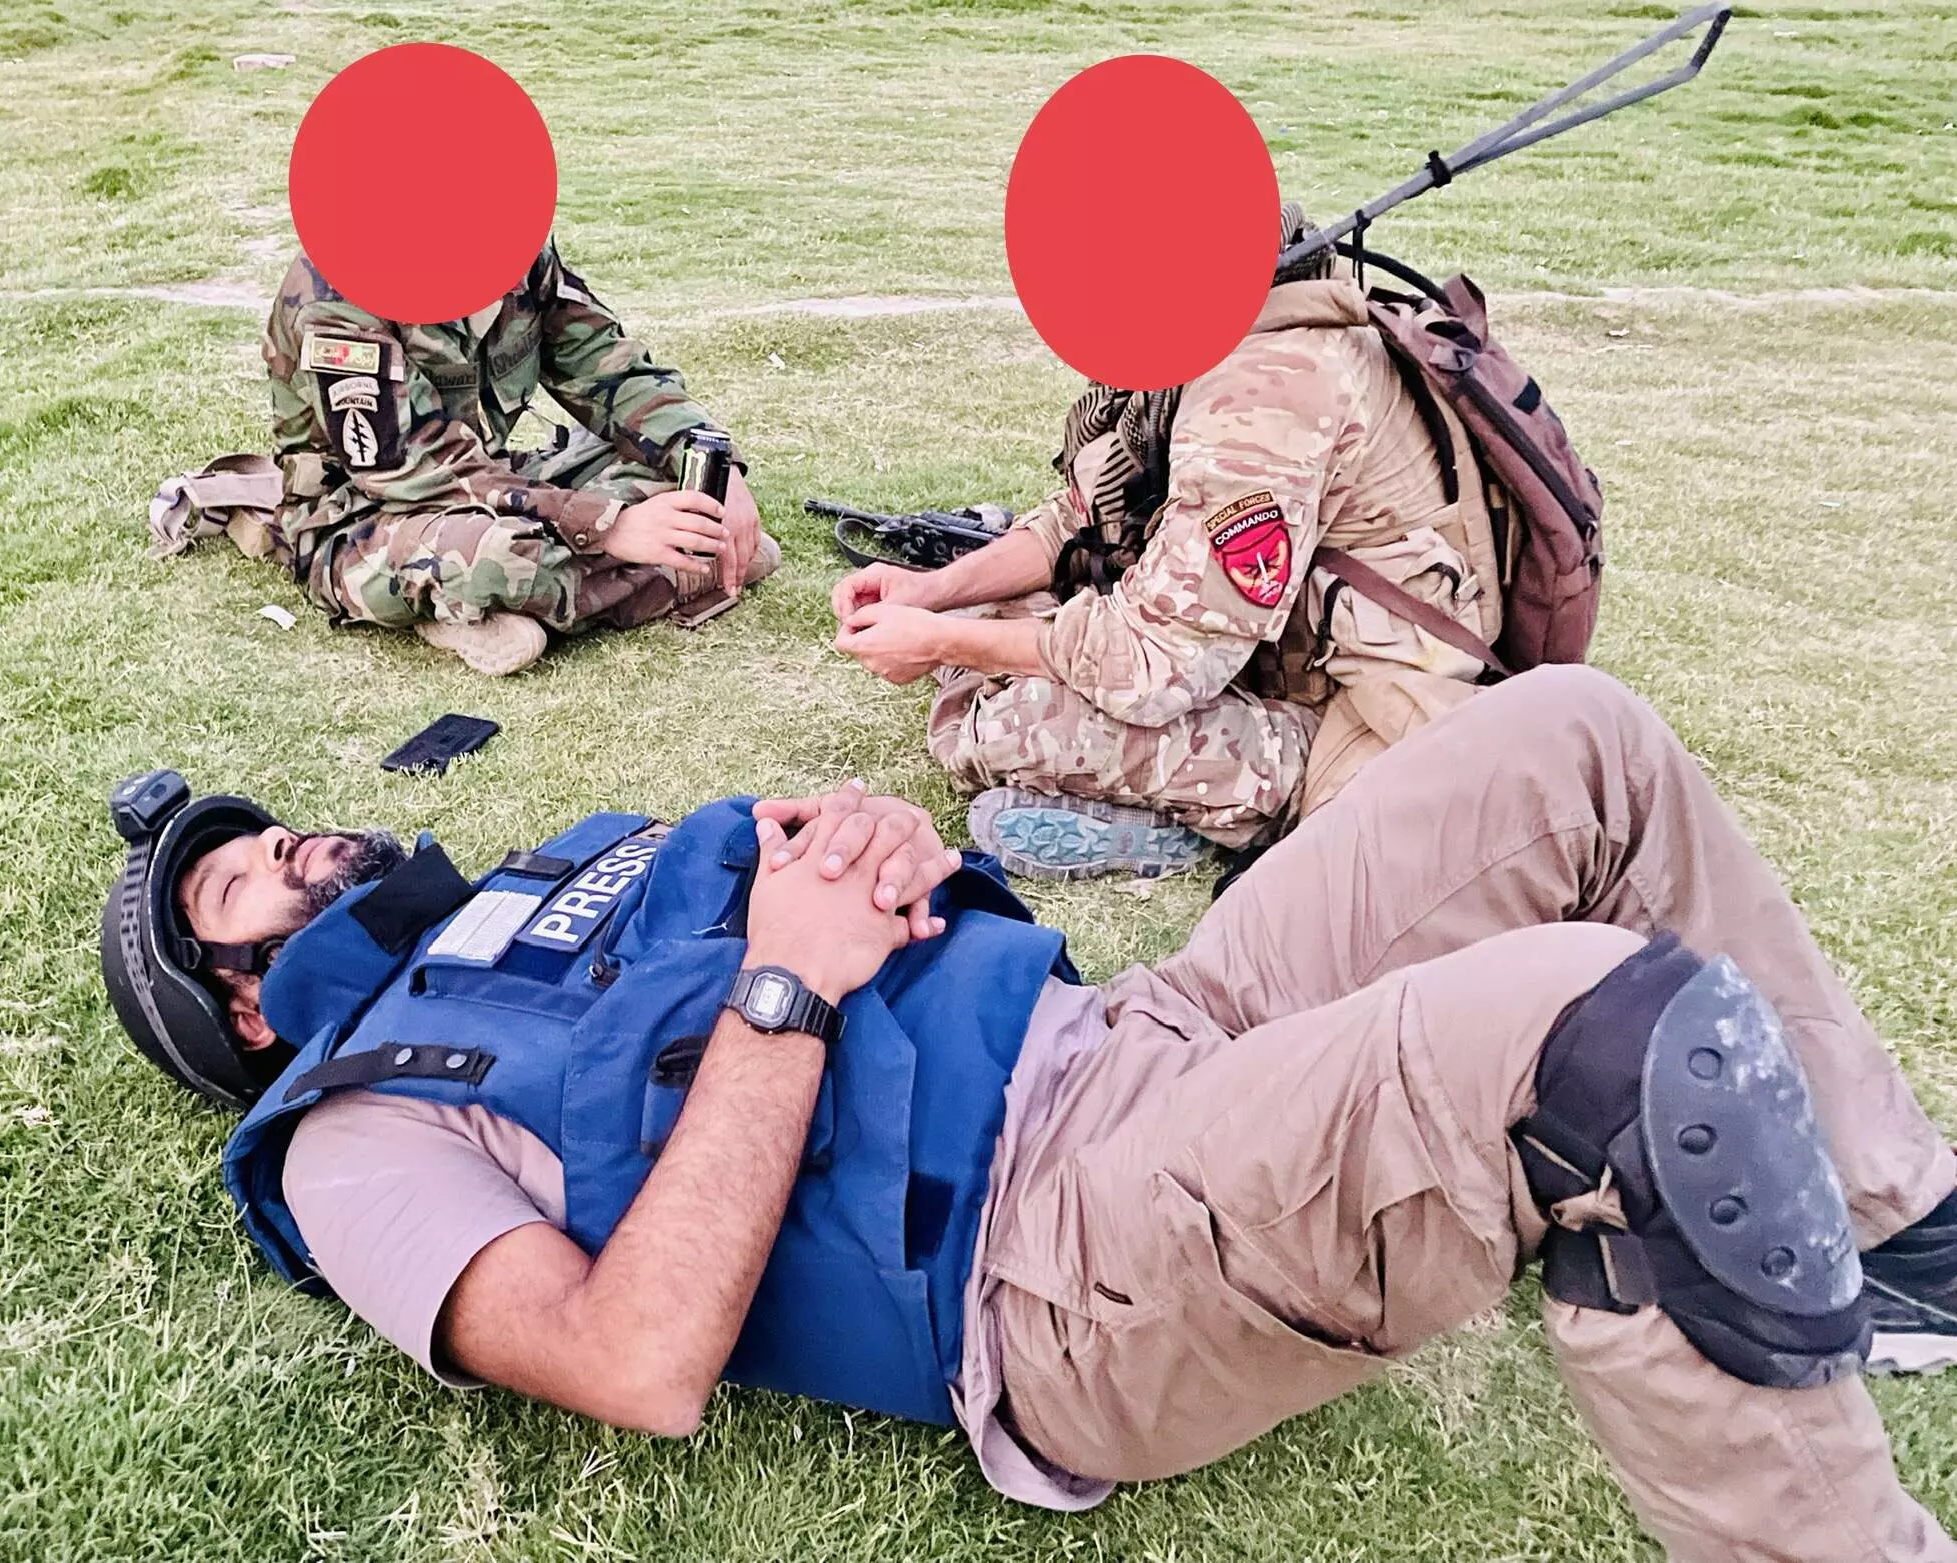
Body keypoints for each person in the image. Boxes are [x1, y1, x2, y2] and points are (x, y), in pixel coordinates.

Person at [100, 666, 1957, 1560]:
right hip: (1053, 1265)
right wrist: (790, 978)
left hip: (1135, 1025)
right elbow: (632, 1358)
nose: (287, 845)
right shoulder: (352, 1137)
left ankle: (1893, 1248)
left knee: (1573, 740)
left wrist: (876, 844)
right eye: (241, 885)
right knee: (1609, 1047)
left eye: (269, 829)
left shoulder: (543, 884)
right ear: (245, 1008)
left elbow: (813, 887)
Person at [831, 209, 1507, 878]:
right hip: (1253, 656)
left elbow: (1154, 666)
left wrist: (941, 642)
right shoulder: (1226, 324)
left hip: (1357, 727)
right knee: (991, 622)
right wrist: (933, 592)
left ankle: (1206, 823)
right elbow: (1082, 517)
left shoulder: (1266, 392)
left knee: (1011, 726)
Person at [151, 242, 779, 676]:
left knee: (667, 474)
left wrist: (709, 461)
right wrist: (608, 525)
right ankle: (661, 572)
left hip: (493, 482)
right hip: (365, 518)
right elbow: (413, 469)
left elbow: (609, 370)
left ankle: (545, 600)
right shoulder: (334, 298)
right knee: (495, 557)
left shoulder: (520, 254)